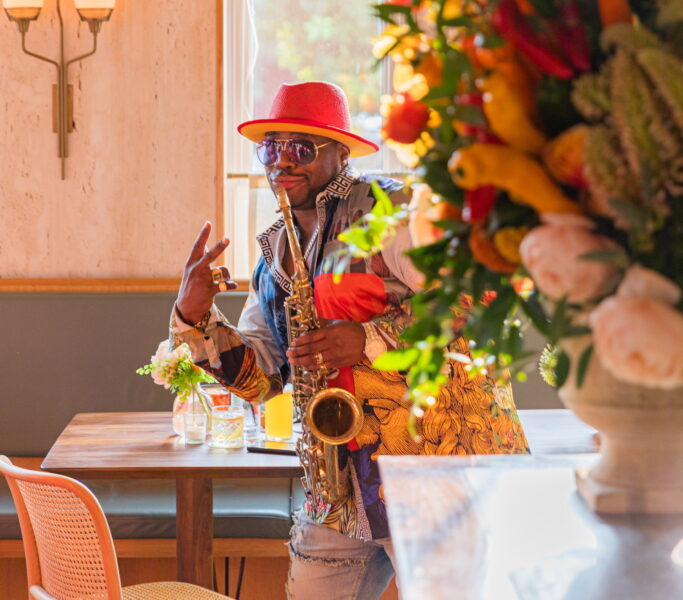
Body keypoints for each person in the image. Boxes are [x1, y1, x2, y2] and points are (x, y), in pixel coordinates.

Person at [171, 80, 528, 600]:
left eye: (300, 148)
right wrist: (195, 316)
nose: (282, 162)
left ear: (341, 152)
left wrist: (369, 340)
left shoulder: (395, 210)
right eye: (271, 148)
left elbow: (479, 304)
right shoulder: (274, 249)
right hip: (338, 489)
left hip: (436, 472)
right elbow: (263, 378)